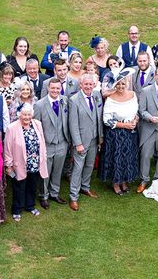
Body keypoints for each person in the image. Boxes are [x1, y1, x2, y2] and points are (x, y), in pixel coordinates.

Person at [4, 104, 48, 222]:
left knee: (32, 185)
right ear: (19, 115)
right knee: (19, 187)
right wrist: (8, 165)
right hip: (19, 163)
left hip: (35, 162)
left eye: (29, 114)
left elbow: (42, 141)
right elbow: (7, 148)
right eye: (24, 114)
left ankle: (30, 206)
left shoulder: (37, 124)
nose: (27, 117)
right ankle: (17, 210)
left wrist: (43, 157)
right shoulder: (12, 127)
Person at [68, 74, 104, 211]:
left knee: (89, 165)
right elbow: (73, 124)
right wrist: (78, 143)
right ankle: (73, 196)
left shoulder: (96, 95)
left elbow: (98, 117)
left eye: (91, 84)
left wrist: (100, 137)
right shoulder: (74, 100)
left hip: (94, 138)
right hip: (81, 141)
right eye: (86, 84)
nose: (88, 86)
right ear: (80, 85)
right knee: (78, 168)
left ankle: (85, 187)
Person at [99, 73, 140, 195]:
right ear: (115, 85)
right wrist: (124, 125)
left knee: (128, 157)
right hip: (116, 134)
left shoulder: (133, 95)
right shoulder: (111, 99)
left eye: (123, 83)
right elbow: (106, 120)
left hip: (131, 132)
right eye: (118, 84)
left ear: (127, 84)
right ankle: (116, 183)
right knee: (117, 158)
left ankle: (124, 181)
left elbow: (135, 111)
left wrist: (135, 120)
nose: (121, 86)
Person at [34, 78, 70, 208]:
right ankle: (43, 195)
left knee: (58, 170)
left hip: (62, 142)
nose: (55, 90)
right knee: (45, 172)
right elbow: (36, 127)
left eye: (57, 88)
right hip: (47, 143)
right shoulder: (39, 105)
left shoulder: (65, 101)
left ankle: (55, 193)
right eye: (53, 88)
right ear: (48, 88)